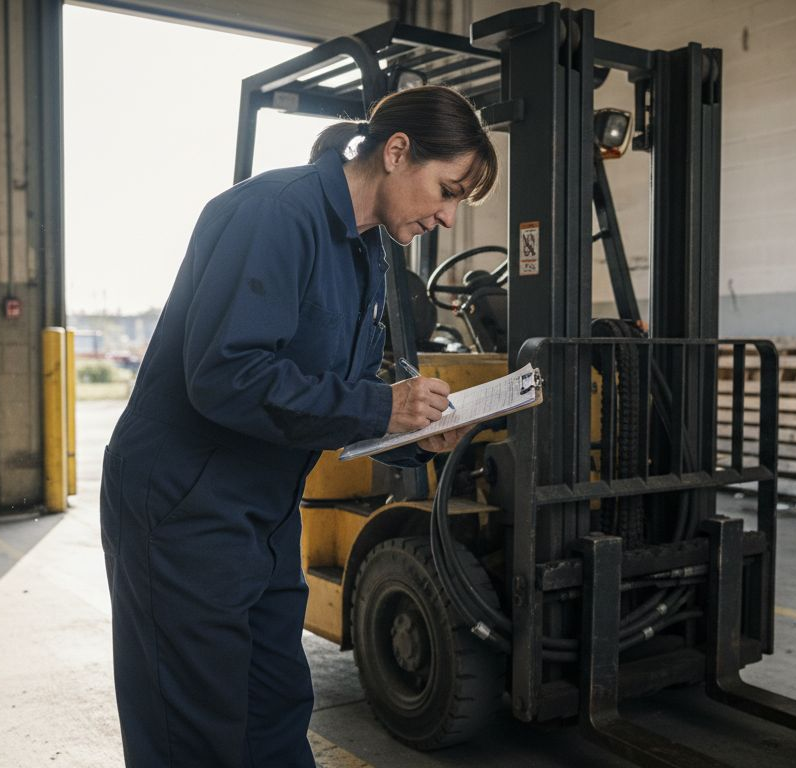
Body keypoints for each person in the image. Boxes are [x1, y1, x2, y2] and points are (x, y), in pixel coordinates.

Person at [99, 84, 498, 767]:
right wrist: (382, 406)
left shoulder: (369, 251)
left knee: (276, 705)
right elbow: (226, 375)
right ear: (398, 152)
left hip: (265, 502)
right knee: (194, 728)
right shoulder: (275, 213)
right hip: (184, 503)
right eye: (448, 189)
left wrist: (408, 425)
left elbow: (330, 387)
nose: (448, 216)